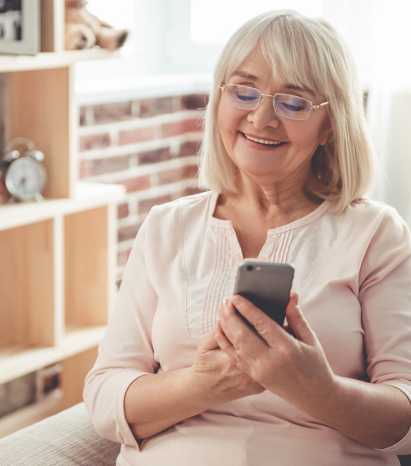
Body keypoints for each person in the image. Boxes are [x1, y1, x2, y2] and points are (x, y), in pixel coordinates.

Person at [84, 10, 411, 466]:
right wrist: (201, 384)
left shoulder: (377, 234)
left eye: (292, 102)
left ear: (331, 126)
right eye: (244, 91)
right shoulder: (165, 226)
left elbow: (406, 419)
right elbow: (104, 396)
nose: (261, 117)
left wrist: (319, 391)